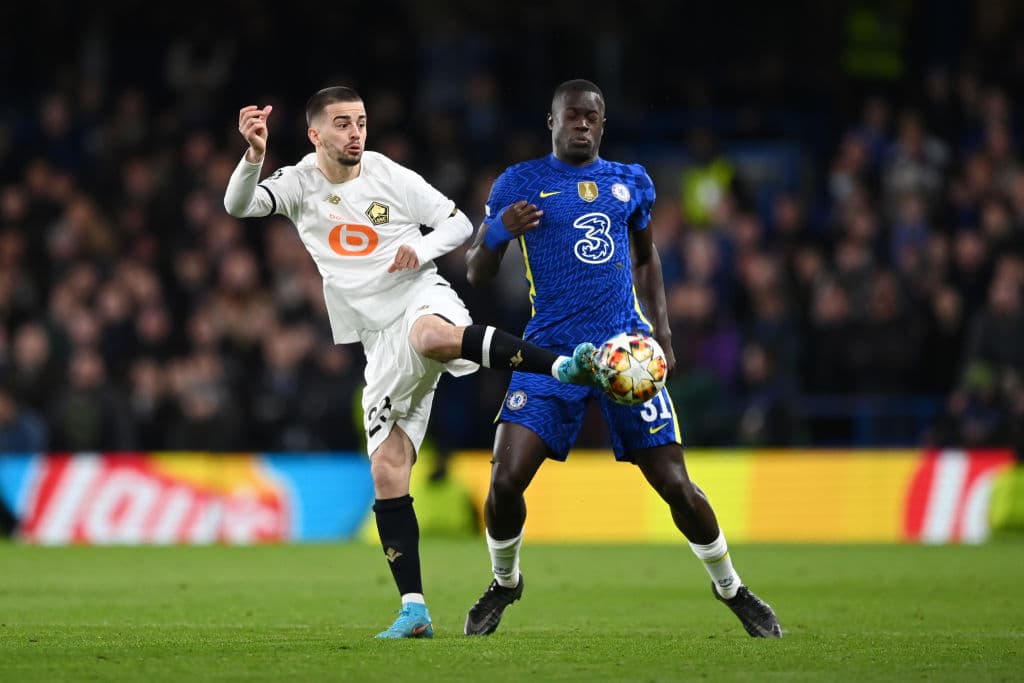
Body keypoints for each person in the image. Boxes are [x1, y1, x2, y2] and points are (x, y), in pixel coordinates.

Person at [223, 86, 599, 639]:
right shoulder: (299, 182)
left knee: (430, 336)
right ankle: (414, 609)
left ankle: (561, 366)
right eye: (343, 124)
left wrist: (419, 250)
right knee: (387, 468)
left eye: (361, 122)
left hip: (419, 296)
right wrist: (254, 154)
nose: (356, 133)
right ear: (315, 134)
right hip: (376, 338)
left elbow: (458, 223)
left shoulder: (386, 174)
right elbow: (238, 206)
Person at [463, 79, 782, 638]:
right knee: (505, 480)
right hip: (548, 353)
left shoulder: (630, 181)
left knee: (677, 486)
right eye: (572, 115)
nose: (582, 124)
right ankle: (505, 582)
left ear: (603, 124)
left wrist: (663, 334)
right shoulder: (520, 182)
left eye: (591, 116)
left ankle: (731, 587)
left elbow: (646, 258)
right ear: (552, 121)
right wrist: (495, 235)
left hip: (625, 352)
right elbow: (475, 272)